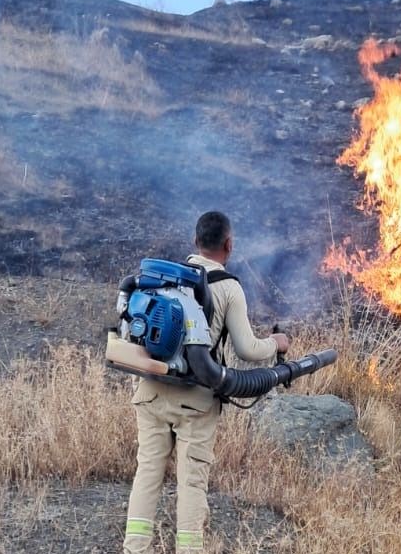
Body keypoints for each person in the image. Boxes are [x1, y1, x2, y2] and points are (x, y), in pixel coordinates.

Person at [122, 211, 290, 554]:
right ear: (229, 245)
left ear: (195, 242)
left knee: (147, 474)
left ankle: (134, 548)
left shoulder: (167, 276)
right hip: (195, 401)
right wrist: (278, 344)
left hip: (151, 390)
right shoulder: (228, 287)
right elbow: (247, 349)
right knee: (192, 484)